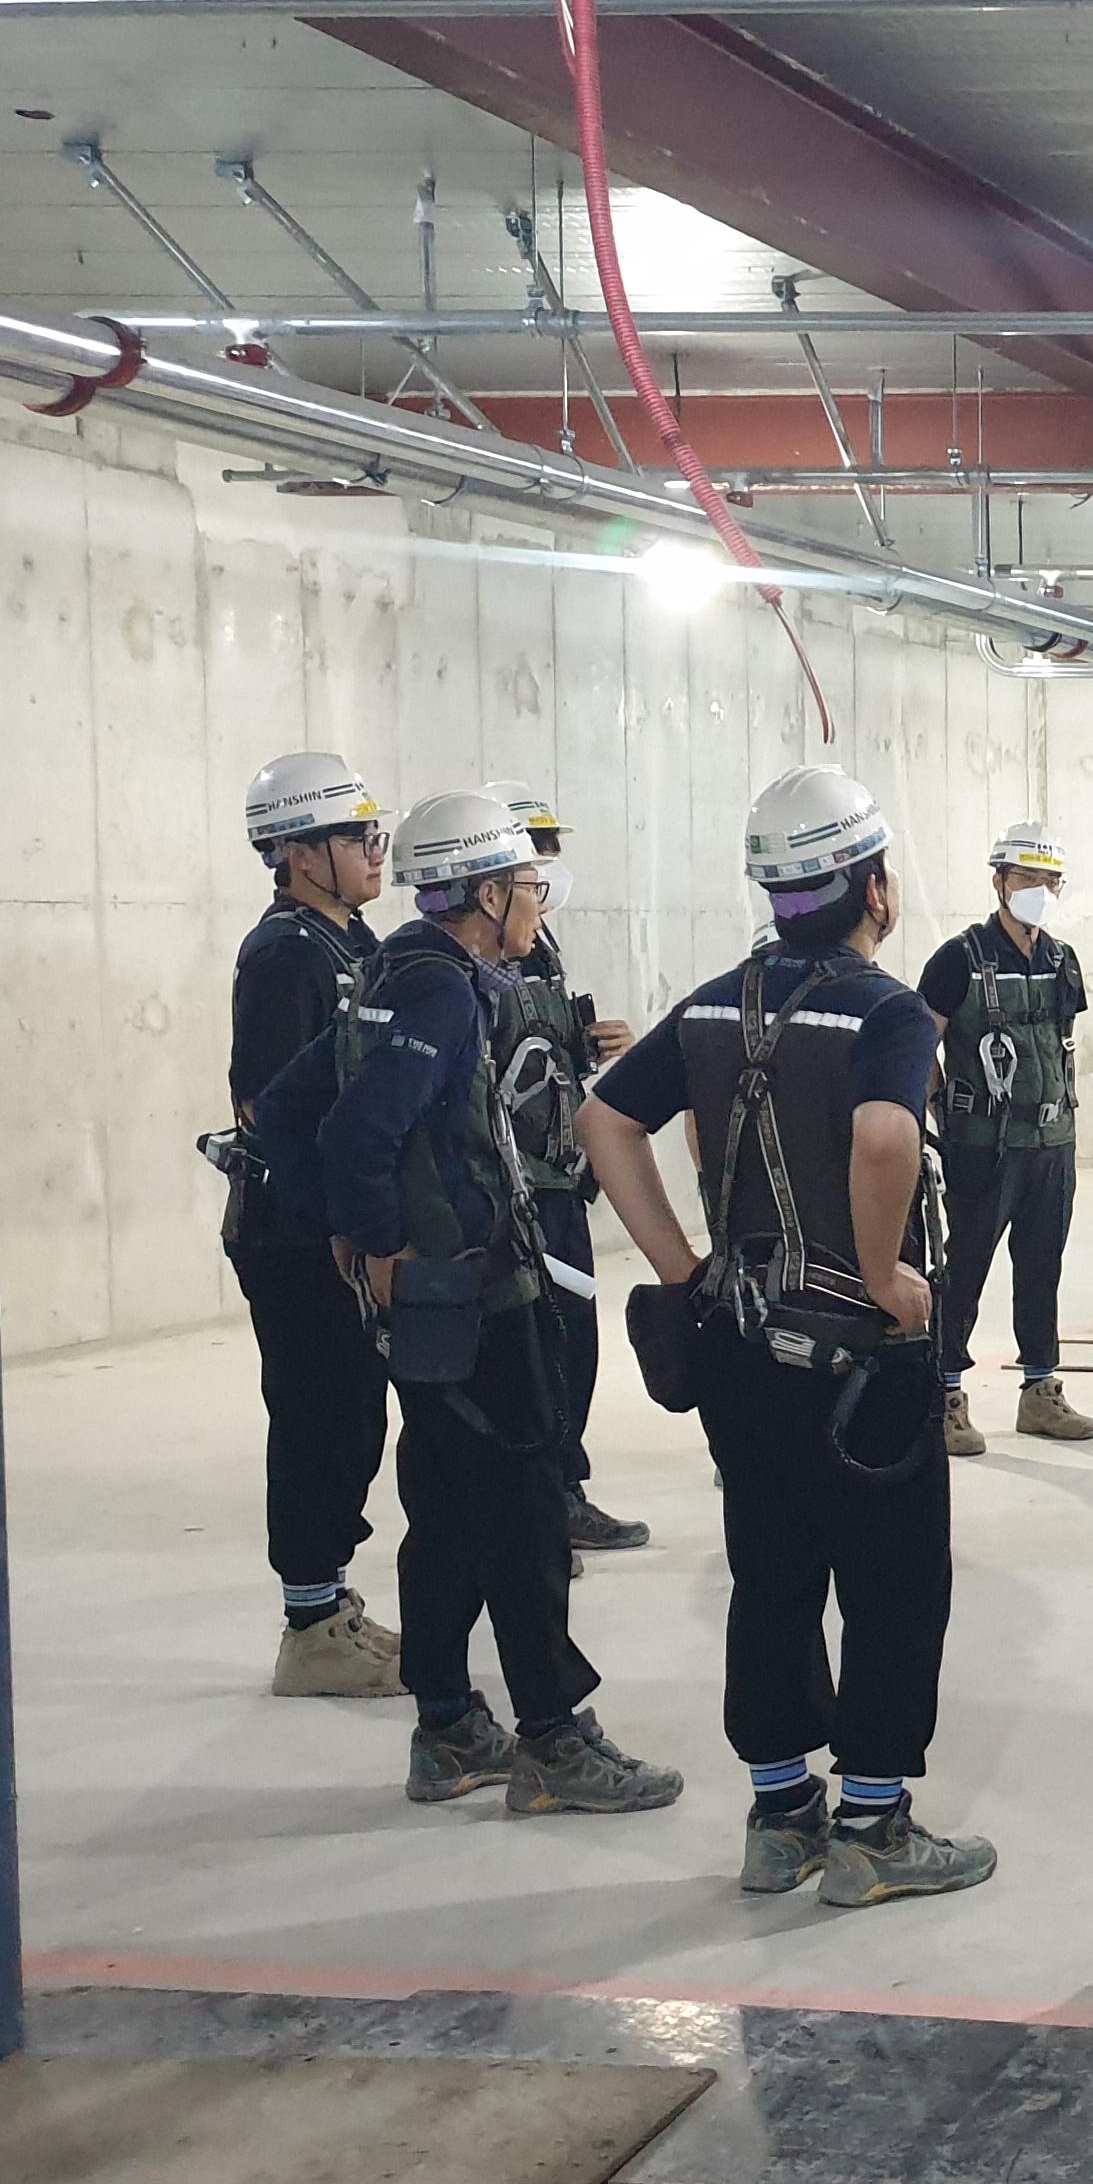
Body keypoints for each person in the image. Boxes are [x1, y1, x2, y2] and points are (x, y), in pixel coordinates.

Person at [580, 765, 996, 1910]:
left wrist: (682, 1270)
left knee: (769, 1576)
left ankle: (779, 1818)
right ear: (873, 887)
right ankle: (872, 1828)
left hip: (736, 1344)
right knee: (893, 1586)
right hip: (856, 1361)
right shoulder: (885, 1010)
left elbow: (605, 1119)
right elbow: (885, 1136)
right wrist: (882, 1272)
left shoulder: (715, 1006)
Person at [288, 791, 678, 1820]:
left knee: (448, 1509)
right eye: (527, 886)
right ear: (490, 893)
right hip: (476, 1292)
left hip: (438, 1299)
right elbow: (354, 1133)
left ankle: (449, 1725)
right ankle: (552, 1735)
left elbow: (290, 1111)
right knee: (524, 1515)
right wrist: (379, 1241)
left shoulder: (387, 969)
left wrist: (354, 1239)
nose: (537, 905)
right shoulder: (442, 993)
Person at [225, 751, 404, 1698]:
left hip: (334, 1223)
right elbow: (267, 1102)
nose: (377, 850)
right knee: (316, 1417)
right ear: (300, 854)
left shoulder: (349, 941)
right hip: (295, 1233)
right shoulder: (287, 954)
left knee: (352, 1416)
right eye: (357, 836)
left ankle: (329, 1603)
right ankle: (309, 1627)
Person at [484, 782, 649, 1556]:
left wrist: (587, 1046)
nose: (551, 866)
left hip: (558, 1184)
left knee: (573, 1343)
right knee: (532, 1352)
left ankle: (562, 1494)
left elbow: (532, 1060)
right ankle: (535, 1511)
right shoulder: (477, 961)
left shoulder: (539, 945)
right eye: (537, 854)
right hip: (516, 1194)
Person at [922, 822, 1093, 1455]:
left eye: (1051, 881)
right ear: (999, 881)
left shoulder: (1062, 960)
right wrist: (940, 1109)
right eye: (1028, 878)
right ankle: (943, 1395)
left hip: (1052, 1143)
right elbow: (920, 1044)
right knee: (964, 1268)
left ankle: (1040, 1391)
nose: (1041, 891)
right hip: (982, 1146)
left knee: (1042, 1267)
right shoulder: (958, 959)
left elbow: (1058, 1044)